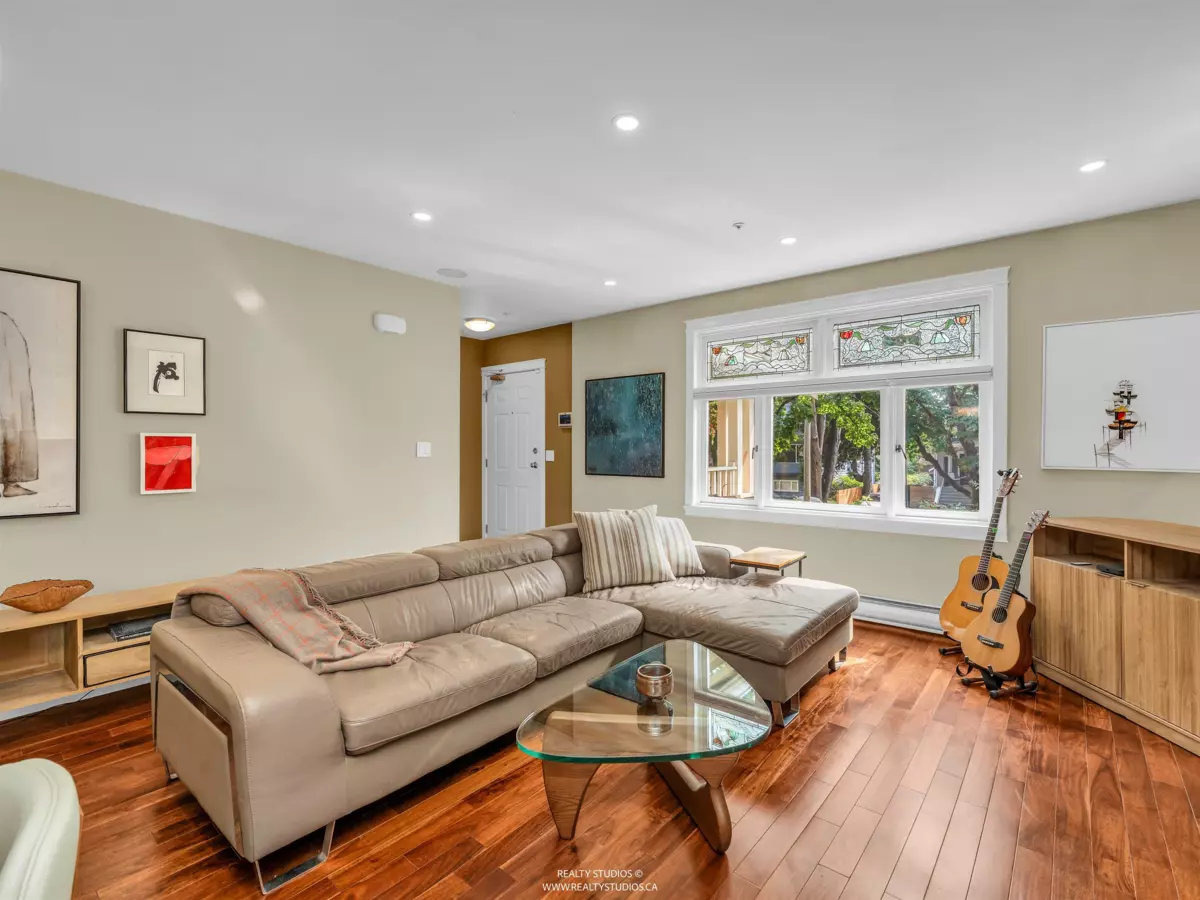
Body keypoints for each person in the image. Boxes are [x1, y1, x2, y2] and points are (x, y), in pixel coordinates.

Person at [0, 310, 38, 498]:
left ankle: (11, 483)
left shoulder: (4, 322)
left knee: (9, 430)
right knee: (9, 429)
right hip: (7, 393)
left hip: (8, 392)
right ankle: (11, 484)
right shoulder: (4, 322)